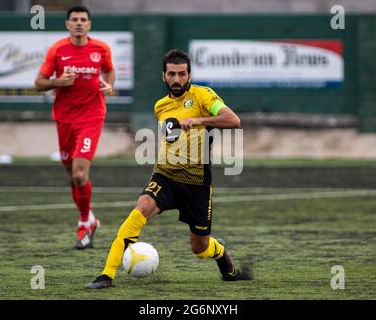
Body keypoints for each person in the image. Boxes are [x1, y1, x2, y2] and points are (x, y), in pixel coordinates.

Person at [85, 49, 251, 289]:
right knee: (139, 210)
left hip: (196, 183)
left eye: (182, 74)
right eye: (171, 74)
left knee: (199, 247)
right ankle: (106, 275)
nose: (177, 79)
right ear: (163, 76)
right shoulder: (160, 106)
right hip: (166, 175)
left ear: (189, 75)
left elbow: (233, 120)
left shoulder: (203, 96)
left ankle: (220, 252)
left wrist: (200, 120)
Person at [34, 5, 115, 250]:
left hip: (91, 117)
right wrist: (58, 81)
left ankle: (83, 222)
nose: (79, 23)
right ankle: (90, 218)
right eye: (74, 19)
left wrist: (108, 87)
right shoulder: (57, 50)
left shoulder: (101, 48)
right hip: (64, 118)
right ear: (68, 24)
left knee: (80, 174)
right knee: (71, 175)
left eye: (83, 19)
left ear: (89, 24)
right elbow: (38, 83)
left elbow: (109, 71)